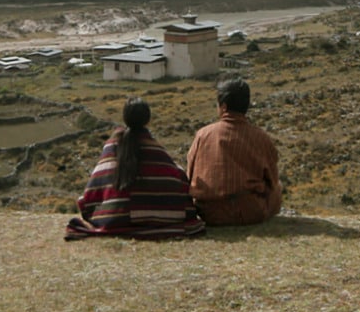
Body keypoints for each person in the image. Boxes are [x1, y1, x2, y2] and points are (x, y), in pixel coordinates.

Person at [64, 98, 205, 240]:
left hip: (114, 218)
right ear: (148, 120)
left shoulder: (112, 147)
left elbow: (96, 184)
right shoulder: (156, 151)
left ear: (125, 118)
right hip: (163, 219)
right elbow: (175, 175)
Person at [186, 77, 282, 226]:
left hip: (208, 213)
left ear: (223, 107)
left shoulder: (202, 135)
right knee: (278, 188)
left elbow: (189, 173)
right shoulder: (261, 137)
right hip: (250, 212)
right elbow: (272, 180)